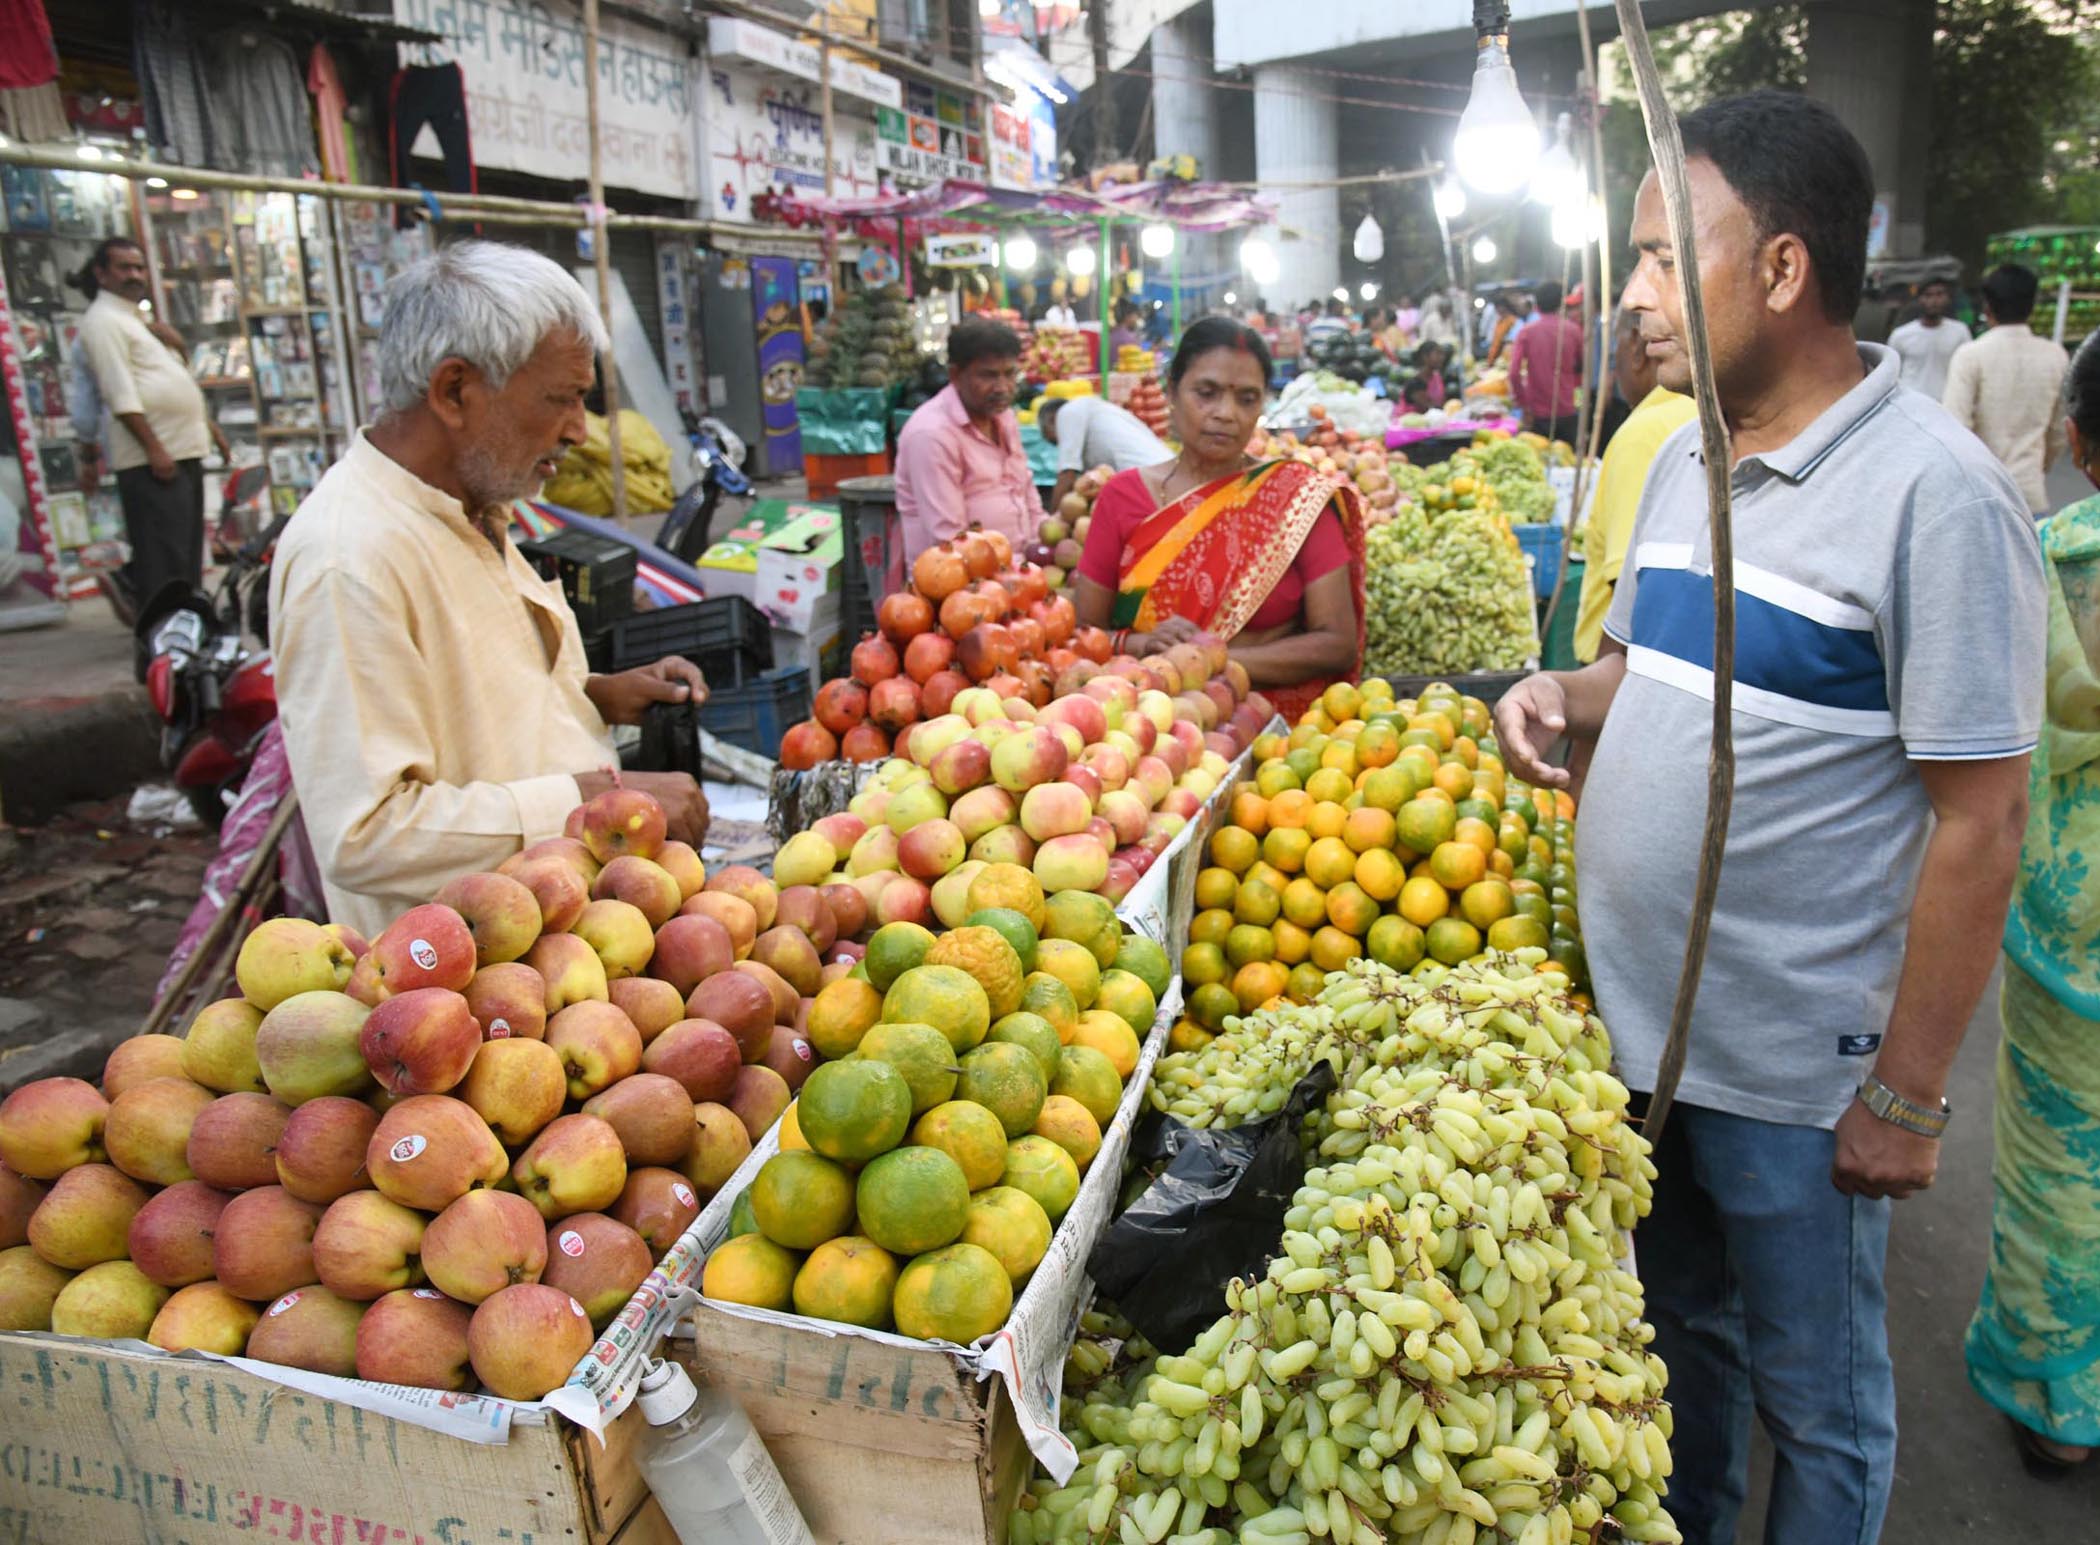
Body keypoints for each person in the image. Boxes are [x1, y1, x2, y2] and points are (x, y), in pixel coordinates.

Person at [1493, 91, 2045, 1545]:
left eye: (1669, 256)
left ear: (1785, 270)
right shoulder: (1684, 457)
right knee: (1683, 1345)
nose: (1634, 294)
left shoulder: (1937, 498)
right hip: (1638, 1050)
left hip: (1796, 1082)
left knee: (1825, 1408)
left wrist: (1910, 1095)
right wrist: (1564, 693)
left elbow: (1982, 823)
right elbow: (1643, 662)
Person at [269, 242, 710, 937]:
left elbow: (470, 694)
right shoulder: (348, 558)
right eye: (561, 399)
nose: (577, 429)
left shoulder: (477, 503)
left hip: (569, 937)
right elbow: (366, 833)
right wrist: (596, 796)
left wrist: (597, 692)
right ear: (454, 391)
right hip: (461, 990)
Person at [1970, 330, 2100, 1478]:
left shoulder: (2049, 559)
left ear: (2077, 443)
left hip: (2071, 926)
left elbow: (1988, 761)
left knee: (2060, 1166)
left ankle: (2058, 1402)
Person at [1070, 317, 1364, 718]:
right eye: (1206, 393)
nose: (1226, 413)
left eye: (1246, 399)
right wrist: (1144, 646)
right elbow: (1085, 638)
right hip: (1147, 727)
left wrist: (1210, 660)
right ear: (1171, 391)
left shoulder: (1296, 497)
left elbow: (1336, 642)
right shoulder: (1121, 498)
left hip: (1276, 736)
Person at [73, 237, 229, 613]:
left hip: (180, 450)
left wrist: (211, 430)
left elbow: (172, 382)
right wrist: (154, 449)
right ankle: (161, 645)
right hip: (153, 460)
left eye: (140, 268)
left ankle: (188, 637)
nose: (135, 275)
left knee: (185, 557)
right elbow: (119, 393)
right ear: (102, 274)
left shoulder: (135, 321)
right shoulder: (104, 322)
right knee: (165, 562)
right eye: (124, 268)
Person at [1573, 307, 1695, 663]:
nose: (1614, 373)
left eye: (1614, 359)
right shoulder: (1695, 412)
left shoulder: (1641, 436)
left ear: (1639, 351)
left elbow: (1627, 586)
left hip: (1618, 669)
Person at [892, 317, 1039, 565]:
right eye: (989, 376)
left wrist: (1043, 548)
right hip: (962, 585)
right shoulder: (932, 435)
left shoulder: (1003, 417)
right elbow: (950, 540)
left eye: (1010, 374)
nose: (1003, 387)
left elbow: (1025, 490)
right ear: (955, 375)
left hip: (1020, 570)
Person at [1944, 264, 2071, 515]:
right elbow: (2059, 431)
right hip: (2030, 496)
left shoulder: (1971, 355)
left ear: (1987, 306)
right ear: (2032, 306)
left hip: (1981, 497)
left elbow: (1954, 428)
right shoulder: (2056, 356)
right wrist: (2037, 467)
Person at [1036, 394, 1170, 510]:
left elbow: (1067, 474)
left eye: (1055, 442)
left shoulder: (1067, 412)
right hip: (1166, 477)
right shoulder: (1097, 409)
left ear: (1053, 420)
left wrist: (1054, 517)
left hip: (1149, 485)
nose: (1060, 446)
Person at [1507, 279, 1585, 443]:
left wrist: (1523, 403)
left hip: (1537, 412)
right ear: (1561, 301)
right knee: (1567, 461)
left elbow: (1513, 373)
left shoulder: (1527, 332)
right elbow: (1582, 367)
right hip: (1567, 408)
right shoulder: (1573, 330)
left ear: (1537, 303)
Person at [1887, 277, 1971, 402]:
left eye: (1939, 294)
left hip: (1947, 403)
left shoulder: (1960, 332)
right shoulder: (1901, 335)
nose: (1934, 300)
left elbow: (1967, 369)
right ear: (1919, 299)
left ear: (1948, 298)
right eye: (1928, 295)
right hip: (1911, 404)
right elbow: (1891, 373)